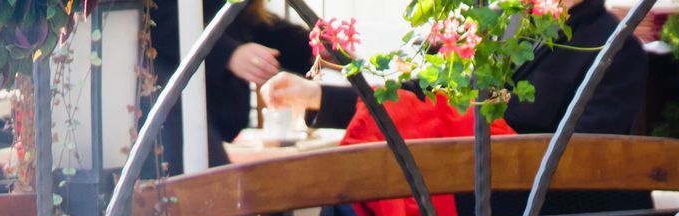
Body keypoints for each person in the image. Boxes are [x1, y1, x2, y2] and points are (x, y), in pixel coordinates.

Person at [258, 0, 646, 137]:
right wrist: (315, 96)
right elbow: (420, 95)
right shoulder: (496, 24)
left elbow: (589, 157)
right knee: (348, 206)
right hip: (467, 201)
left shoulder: (615, 46)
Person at [150, 0, 316, 165]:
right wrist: (229, 53)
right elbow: (163, 21)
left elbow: (259, 24)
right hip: (178, 132)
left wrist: (317, 46)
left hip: (225, 132)